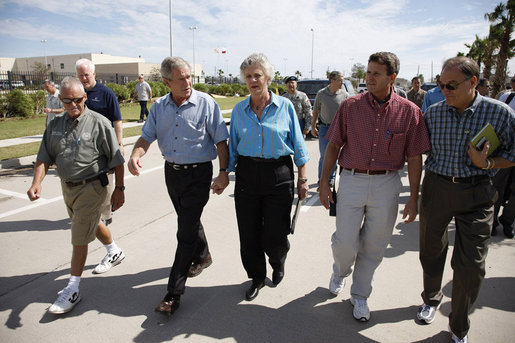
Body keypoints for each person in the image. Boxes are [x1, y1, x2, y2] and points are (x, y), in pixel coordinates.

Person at [319, 52, 430, 322]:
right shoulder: (350, 106)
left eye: (376, 73)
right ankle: (340, 271)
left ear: (392, 78)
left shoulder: (409, 112)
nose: (369, 77)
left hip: (388, 184)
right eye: (368, 72)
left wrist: (413, 197)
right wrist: (324, 183)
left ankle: (360, 295)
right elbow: (333, 145)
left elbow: (415, 157)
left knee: (374, 245)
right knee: (345, 241)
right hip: (353, 180)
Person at [417, 56, 515, 343]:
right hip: (436, 188)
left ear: (473, 82)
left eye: (451, 85)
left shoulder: (500, 114)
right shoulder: (433, 113)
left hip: (478, 193)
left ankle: (458, 325)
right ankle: (431, 300)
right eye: (441, 85)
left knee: (471, 265)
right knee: (431, 252)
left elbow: (512, 154)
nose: (444, 91)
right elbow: (418, 150)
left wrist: (486, 163)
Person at [128, 56, 229, 316]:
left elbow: (220, 141)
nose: (187, 82)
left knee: (184, 232)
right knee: (188, 220)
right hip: (172, 174)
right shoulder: (159, 107)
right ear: (166, 82)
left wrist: (223, 173)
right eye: (181, 78)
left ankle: (173, 293)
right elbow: (146, 137)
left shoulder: (206, 103)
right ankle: (204, 255)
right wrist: (136, 155)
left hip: (199, 174)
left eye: (189, 77)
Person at [27, 77, 125, 314]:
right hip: (68, 187)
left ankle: (72, 288)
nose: (73, 105)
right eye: (68, 100)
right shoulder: (55, 125)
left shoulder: (99, 123)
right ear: (61, 99)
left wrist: (120, 189)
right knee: (89, 223)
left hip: (93, 187)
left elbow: (117, 160)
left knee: (79, 235)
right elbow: (44, 157)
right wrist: (36, 182)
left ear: (85, 98)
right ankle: (114, 251)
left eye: (78, 100)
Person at [228, 53, 309, 301]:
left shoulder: (285, 107)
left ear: (267, 77)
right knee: (249, 232)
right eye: (248, 76)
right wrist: (223, 174)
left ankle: (278, 258)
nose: (253, 80)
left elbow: (298, 144)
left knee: (275, 233)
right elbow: (233, 147)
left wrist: (302, 179)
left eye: (257, 75)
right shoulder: (239, 110)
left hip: (279, 174)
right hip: (247, 175)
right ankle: (256, 277)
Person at [76, 59, 125, 272]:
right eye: (80, 75)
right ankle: (106, 227)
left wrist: (119, 144)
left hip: (104, 154)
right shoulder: (78, 96)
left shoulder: (105, 94)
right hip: (83, 157)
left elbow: (117, 120)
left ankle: (111, 242)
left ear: (93, 73)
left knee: (98, 203)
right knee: (87, 209)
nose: (83, 78)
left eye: (86, 74)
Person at [311, 71, 349, 188]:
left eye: (342, 80)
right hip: (324, 128)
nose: (342, 82)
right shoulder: (321, 94)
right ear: (332, 81)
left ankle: (331, 179)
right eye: (339, 80)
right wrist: (313, 127)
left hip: (339, 129)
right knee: (324, 155)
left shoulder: (345, 95)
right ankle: (321, 180)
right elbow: (316, 111)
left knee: (335, 155)